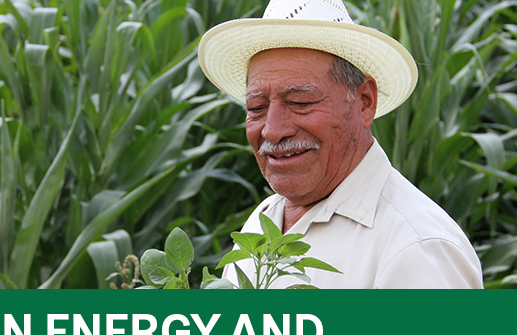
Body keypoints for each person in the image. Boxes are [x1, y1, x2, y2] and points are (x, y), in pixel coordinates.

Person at [198, 0, 483, 288]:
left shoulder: (415, 247)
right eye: (257, 107)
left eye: (300, 103)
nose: (272, 131)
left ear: (364, 103)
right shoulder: (263, 221)